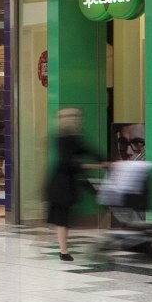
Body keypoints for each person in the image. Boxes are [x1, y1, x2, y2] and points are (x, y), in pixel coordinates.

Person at [45, 107, 95, 261]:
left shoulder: (73, 138)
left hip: (65, 184)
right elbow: (69, 162)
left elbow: (88, 150)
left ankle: (63, 250)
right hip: (61, 185)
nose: (77, 120)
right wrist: (93, 165)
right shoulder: (62, 138)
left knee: (62, 219)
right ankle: (63, 251)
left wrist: (103, 161)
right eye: (74, 117)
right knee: (62, 219)